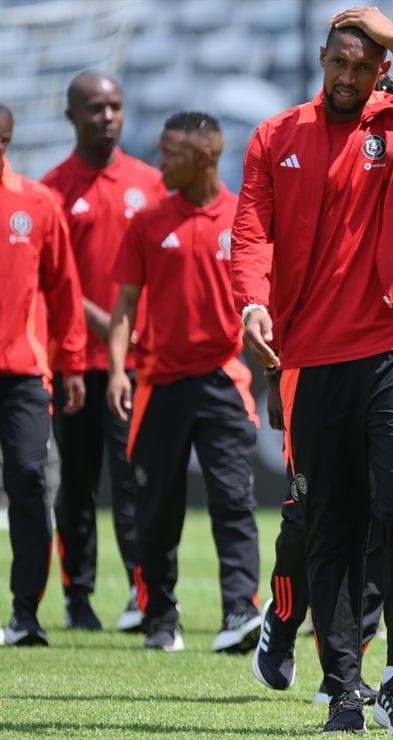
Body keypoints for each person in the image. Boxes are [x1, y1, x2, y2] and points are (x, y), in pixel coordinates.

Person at [230, 7, 393, 735]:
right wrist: (250, 304)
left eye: (361, 65)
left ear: (381, 71)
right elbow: (250, 230)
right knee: (330, 524)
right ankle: (343, 686)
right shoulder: (275, 136)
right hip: (309, 358)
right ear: (321, 58)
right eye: (336, 61)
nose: (345, 75)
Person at [106, 111, 261, 654]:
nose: (160, 162)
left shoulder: (245, 218)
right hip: (157, 382)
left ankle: (241, 612)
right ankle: (160, 618)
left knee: (233, 501)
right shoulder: (147, 221)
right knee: (156, 506)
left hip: (223, 378)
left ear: (204, 157)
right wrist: (116, 371)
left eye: (170, 153)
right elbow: (125, 304)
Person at [41, 70, 166, 633]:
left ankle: (143, 596)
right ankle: (78, 596)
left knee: (134, 481)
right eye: (94, 108)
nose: (107, 117)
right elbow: (55, 286)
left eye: (114, 106)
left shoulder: (150, 183)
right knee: (77, 485)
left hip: (136, 366)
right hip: (75, 364)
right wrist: (110, 326)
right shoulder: (51, 192)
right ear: (71, 116)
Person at [0, 104, 88, 646]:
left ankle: (25, 613)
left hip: (24, 376)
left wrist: (74, 363)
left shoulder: (37, 203)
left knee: (31, 485)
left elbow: (65, 292)